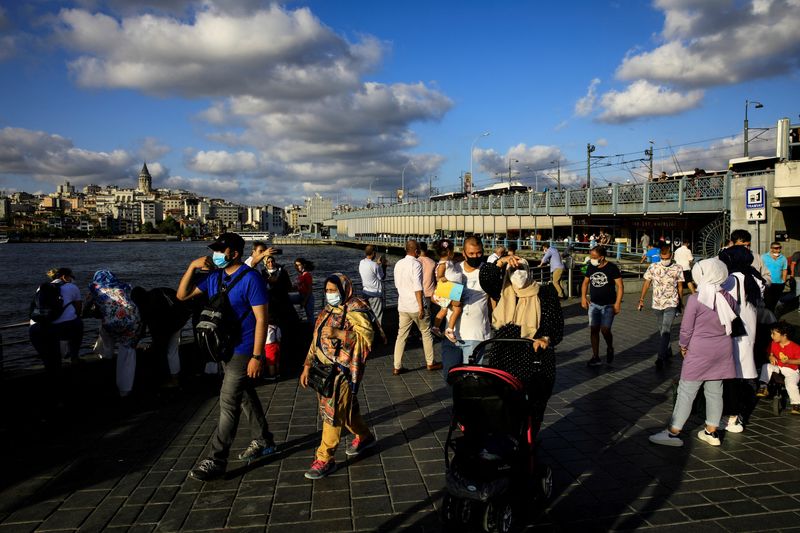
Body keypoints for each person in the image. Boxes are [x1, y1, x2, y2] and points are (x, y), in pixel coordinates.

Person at [178, 232, 277, 482]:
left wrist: (257, 356)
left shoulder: (251, 279)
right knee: (243, 395)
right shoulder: (214, 277)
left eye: (220, 250)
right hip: (223, 347)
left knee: (227, 403)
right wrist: (191, 266)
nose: (216, 254)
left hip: (244, 349)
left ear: (233, 253)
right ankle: (264, 440)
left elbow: (261, 319)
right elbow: (182, 296)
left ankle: (217, 458)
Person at [299, 273, 383, 479]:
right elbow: (315, 339)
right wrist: (307, 364)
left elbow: (367, 338)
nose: (330, 294)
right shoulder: (327, 311)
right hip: (323, 369)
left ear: (344, 289)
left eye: (333, 290)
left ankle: (325, 458)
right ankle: (364, 436)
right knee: (347, 410)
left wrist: (339, 334)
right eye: (327, 290)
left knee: (333, 412)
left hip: (342, 370)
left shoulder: (356, 308)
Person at [649, 258, 737, 447]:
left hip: (699, 351)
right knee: (715, 391)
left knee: (687, 391)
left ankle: (673, 432)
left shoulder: (696, 299)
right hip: (723, 349)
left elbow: (686, 329)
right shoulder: (729, 297)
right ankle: (711, 432)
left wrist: (683, 345)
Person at [480, 256, 564, 436]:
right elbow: (486, 277)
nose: (518, 274)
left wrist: (545, 338)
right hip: (504, 354)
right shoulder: (503, 290)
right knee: (503, 401)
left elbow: (555, 323)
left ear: (529, 271)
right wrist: (501, 262)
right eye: (514, 270)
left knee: (534, 403)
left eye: (522, 269)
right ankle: (507, 439)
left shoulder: (545, 292)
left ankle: (530, 439)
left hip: (534, 355)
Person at [718, 245, 765, 433]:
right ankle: (740, 414)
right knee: (744, 375)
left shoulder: (732, 279)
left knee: (732, 378)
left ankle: (732, 417)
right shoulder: (754, 277)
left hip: (734, 335)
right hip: (749, 333)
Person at [28, 267, 84, 406]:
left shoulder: (41, 288)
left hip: (36, 328)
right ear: (65, 277)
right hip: (55, 330)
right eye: (71, 277)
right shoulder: (72, 287)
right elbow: (78, 310)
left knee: (50, 365)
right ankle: (74, 356)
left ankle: (50, 399)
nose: (71, 279)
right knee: (78, 324)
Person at [440, 235, 493, 379]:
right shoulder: (454, 270)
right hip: (451, 335)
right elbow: (438, 296)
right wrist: (450, 300)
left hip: (476, 335)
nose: (475, 256)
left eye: (479, 253)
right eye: (471, 254)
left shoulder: (487, 272)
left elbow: (494, 299)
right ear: (463, 253)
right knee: (450, 377)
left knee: (471, 380)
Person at [87, 270, 142, 397]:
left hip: (112, 323)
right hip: (133, 320)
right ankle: (125, 389)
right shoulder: (125, 286)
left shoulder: (95, 288)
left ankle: (106, 356)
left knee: (105, 331)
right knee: (127, 351)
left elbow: (86, 308)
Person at [392, 240, 441, 375]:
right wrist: (421, 307)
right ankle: (430, 362)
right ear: (416, 251)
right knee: (426, 333)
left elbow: (397, 285)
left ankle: (397, 366)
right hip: (415, 305)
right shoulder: (416, 264)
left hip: (403, 305)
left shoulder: (398, 264)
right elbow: (418, 287)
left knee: (401, 336)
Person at [130, 286, 192, 388]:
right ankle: (175, 378)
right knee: (173, 350)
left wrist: (135, 343)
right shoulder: (158, 290)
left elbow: (149, 330)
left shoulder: (146, 307)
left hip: (168, 324)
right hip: (179, 318)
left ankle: (168, 380)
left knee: (164, 352)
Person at [638, 245, 684, 369]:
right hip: (657, 303)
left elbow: (680, 286)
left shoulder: (678, 268)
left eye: (667, 258)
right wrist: (641, 299)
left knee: (666, 329)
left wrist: (680, 301)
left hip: (672, 302)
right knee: (661, 330)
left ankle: (660, 356)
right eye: (663, 258)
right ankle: (667, 351)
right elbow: (647, 283)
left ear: (671, 256)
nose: (665, 260)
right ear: (659, 257)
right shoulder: (653, 267)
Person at [581, 245, 623, 367]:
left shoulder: (612, 268)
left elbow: (620, 286)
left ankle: (610, 347)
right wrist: (583, 297)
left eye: (594, 257)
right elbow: (585, 283)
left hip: (608, 305)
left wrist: (618, 303)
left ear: (602, 257)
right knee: (594, 330)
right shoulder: (591, 267)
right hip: (593, 304)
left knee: (605, 329)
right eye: (591, 256)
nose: (591, 258)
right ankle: (596, 356)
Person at [756, 321, 800, 414]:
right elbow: (769, 353)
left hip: (792, 369)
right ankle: (763, 386)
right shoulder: (773, 343)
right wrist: (770, 356)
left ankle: (796, 404)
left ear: (784, 335)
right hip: (778, 367)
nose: (772, 336)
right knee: (766, 366)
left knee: (790, 384)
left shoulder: (795, 347)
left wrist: (789, 361)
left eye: (774, 334)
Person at [358, 245, 386, 325]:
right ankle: (378, 334)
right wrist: (383, 266)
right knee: (377, 316)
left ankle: (369, 332)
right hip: (375, 294)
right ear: (373, 253)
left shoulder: (362, 262)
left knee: (368, 315)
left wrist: (377, 264)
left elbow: (370, 268)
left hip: (365, 292)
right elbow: (382, 277)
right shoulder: (375, 265)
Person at [762, 242, 788, 312]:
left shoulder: (783, 258)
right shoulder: (763, 257)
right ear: (771, 249)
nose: (778, 250)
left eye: (780, 248)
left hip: (779, 284)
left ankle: (772, 318)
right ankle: (767, 319)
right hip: (768, 283)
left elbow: (784, 270)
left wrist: (784, 281)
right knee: (767, 302)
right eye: (776, 248)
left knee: (775, 302)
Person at [418, 242, 437, 326]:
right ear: (426, 249)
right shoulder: (432, 262)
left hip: (417, 292)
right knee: (427, 314)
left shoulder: (416, 261)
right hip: (429, 292)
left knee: (418, 313)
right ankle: (428, 331)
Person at [291, 258, 315, 323]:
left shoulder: (307, 275)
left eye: (299, 265)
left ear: (303, 265)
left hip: (308, 297)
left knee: (310, 316)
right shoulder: (301, 275)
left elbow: (310, 289)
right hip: (301, 295)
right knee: (288, 299)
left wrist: (304, 301)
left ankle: (312, 330)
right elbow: (299, 287)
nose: (297, 267)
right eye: (296, 265)